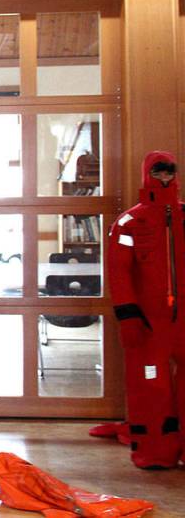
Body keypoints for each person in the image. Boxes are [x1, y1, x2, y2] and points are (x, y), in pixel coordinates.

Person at [107, 151, 185, 469]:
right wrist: (128, 316)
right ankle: (156, 451)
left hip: (182, 322)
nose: (164, 177)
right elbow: (119, 272)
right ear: (147, 174)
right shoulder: (129, 223)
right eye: (158, 171)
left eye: (169, 171)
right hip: (150, 324)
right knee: (152, 386)